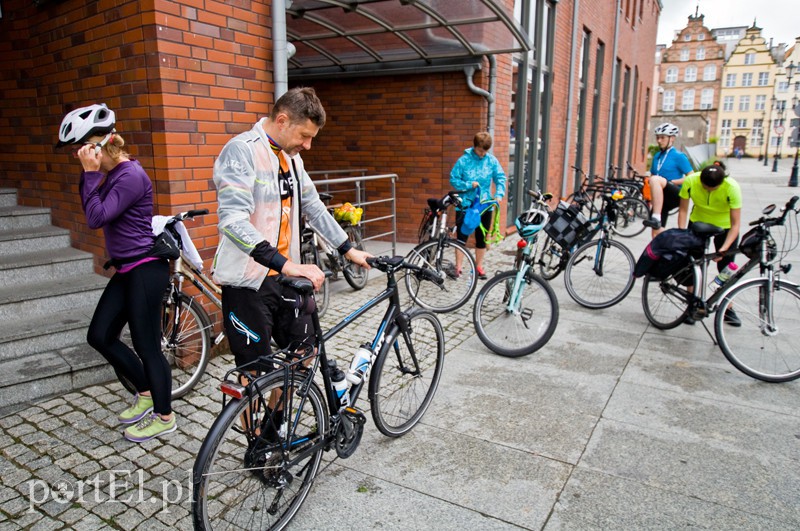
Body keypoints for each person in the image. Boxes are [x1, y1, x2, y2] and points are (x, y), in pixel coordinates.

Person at [212, 87, 371, 368]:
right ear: (283, 121)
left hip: (284, 279)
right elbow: (232, 221)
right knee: (255, 375)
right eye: (305, 136)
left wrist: (348, 249)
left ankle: (278, 415)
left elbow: (314, 206)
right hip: (247, 283)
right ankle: (258, 408)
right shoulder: (242, 151)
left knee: (304, 356)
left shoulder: (292, 158)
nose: (308, 146)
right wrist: (284, 264)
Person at [56, 104, 176, 442]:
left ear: (96, 146)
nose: (77, 157)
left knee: (148, 345)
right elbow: (90, 207)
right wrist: (90, 175)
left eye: (80, 149)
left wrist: (91, 174)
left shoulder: (130, 176)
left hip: (145, 271)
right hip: (127, 270)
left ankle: (164, 415)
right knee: (99, 335)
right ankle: (146, 391)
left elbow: (95, 218)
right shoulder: (112, 175)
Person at [677, 160, 742, 326]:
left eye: (712, 188)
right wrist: (683, 233)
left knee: (726, 268)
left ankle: (728, 309)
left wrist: (724, 248)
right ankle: (691, 305)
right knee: (692, 264)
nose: (707, 190)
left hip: (725, 226)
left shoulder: (731, 187)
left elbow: (736, 224)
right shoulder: (691, 181)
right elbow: (683, 209)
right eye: (705, 187)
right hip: (698, 222)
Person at [449, 132, 506, 279]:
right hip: (465, 205)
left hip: (484, 205)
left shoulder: (491, 161)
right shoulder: (463, 161)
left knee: (482, 237)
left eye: (485, 151)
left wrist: (499, 194)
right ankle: (458, 267)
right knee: (462, 237)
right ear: (475, 146)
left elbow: (500, 178)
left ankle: (478, 267)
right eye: (481, 150)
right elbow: (453, 179)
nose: (482, 154)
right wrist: (469, 185)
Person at [643, 123, 694, 236]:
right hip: (661, 199)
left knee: (656, 179)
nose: (659, 140)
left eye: (662, 137)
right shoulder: (657, 156)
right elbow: (652, 175)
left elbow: (691, 177)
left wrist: (673, 182)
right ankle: (673, 239)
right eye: (657, 137)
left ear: (672, 138)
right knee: (655, 234)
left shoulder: (679, 156)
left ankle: (656, 217)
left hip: (675, 193)